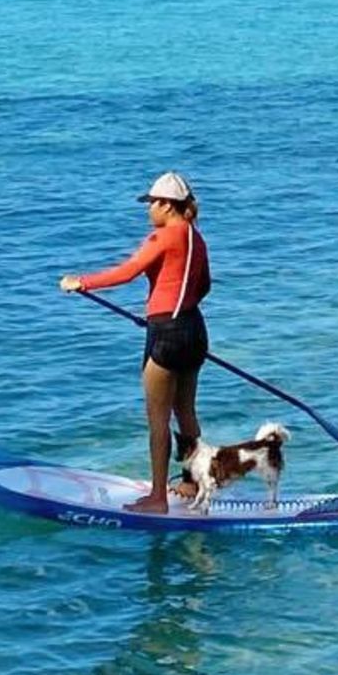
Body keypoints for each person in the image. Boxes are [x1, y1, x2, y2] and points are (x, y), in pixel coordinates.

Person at [61, 171, 212, 511]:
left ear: (166, 205)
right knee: (186, 411)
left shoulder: (161, 238)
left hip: (167, 334)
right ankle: (192, 482)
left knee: (158, 420)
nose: (148, 211)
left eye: (151, 204)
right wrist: (176, 307)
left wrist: (80, 282)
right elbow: (203, 286)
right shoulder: (196, 238)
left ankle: (158, 498)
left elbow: (126, 272)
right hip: (194, 331)